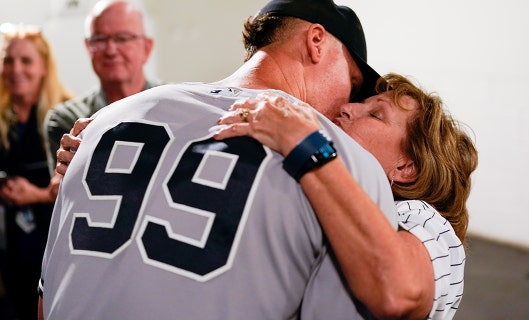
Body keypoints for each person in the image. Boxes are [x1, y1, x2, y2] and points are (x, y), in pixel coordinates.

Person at [38, 0, 408, 319]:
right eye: (353, 81)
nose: (348, 103)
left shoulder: (106, 120)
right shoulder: (333, 159)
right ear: (316, 42)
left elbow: (47, 292)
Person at [214, 72, 478, 319]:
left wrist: (307, 145)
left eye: (375, 114)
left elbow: (399, 291)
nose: (347, 108)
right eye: (360, 103)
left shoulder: (427, 221)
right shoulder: (319, 190)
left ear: (406, 167)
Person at [0, 22, 73, 320]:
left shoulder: (68, 115)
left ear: (43, 67)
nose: (16, 69)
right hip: (11, 253)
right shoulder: (4, 120)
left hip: (53, 247)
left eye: (26, 60)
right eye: (8, 60)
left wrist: (38, 195)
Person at [43, 0, 161, 177]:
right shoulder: (68, 120)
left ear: (147, 47)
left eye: (122, 38)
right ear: (88, 48)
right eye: (100, 39)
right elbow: (62, 194)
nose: (111, 50)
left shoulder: (179, 105)